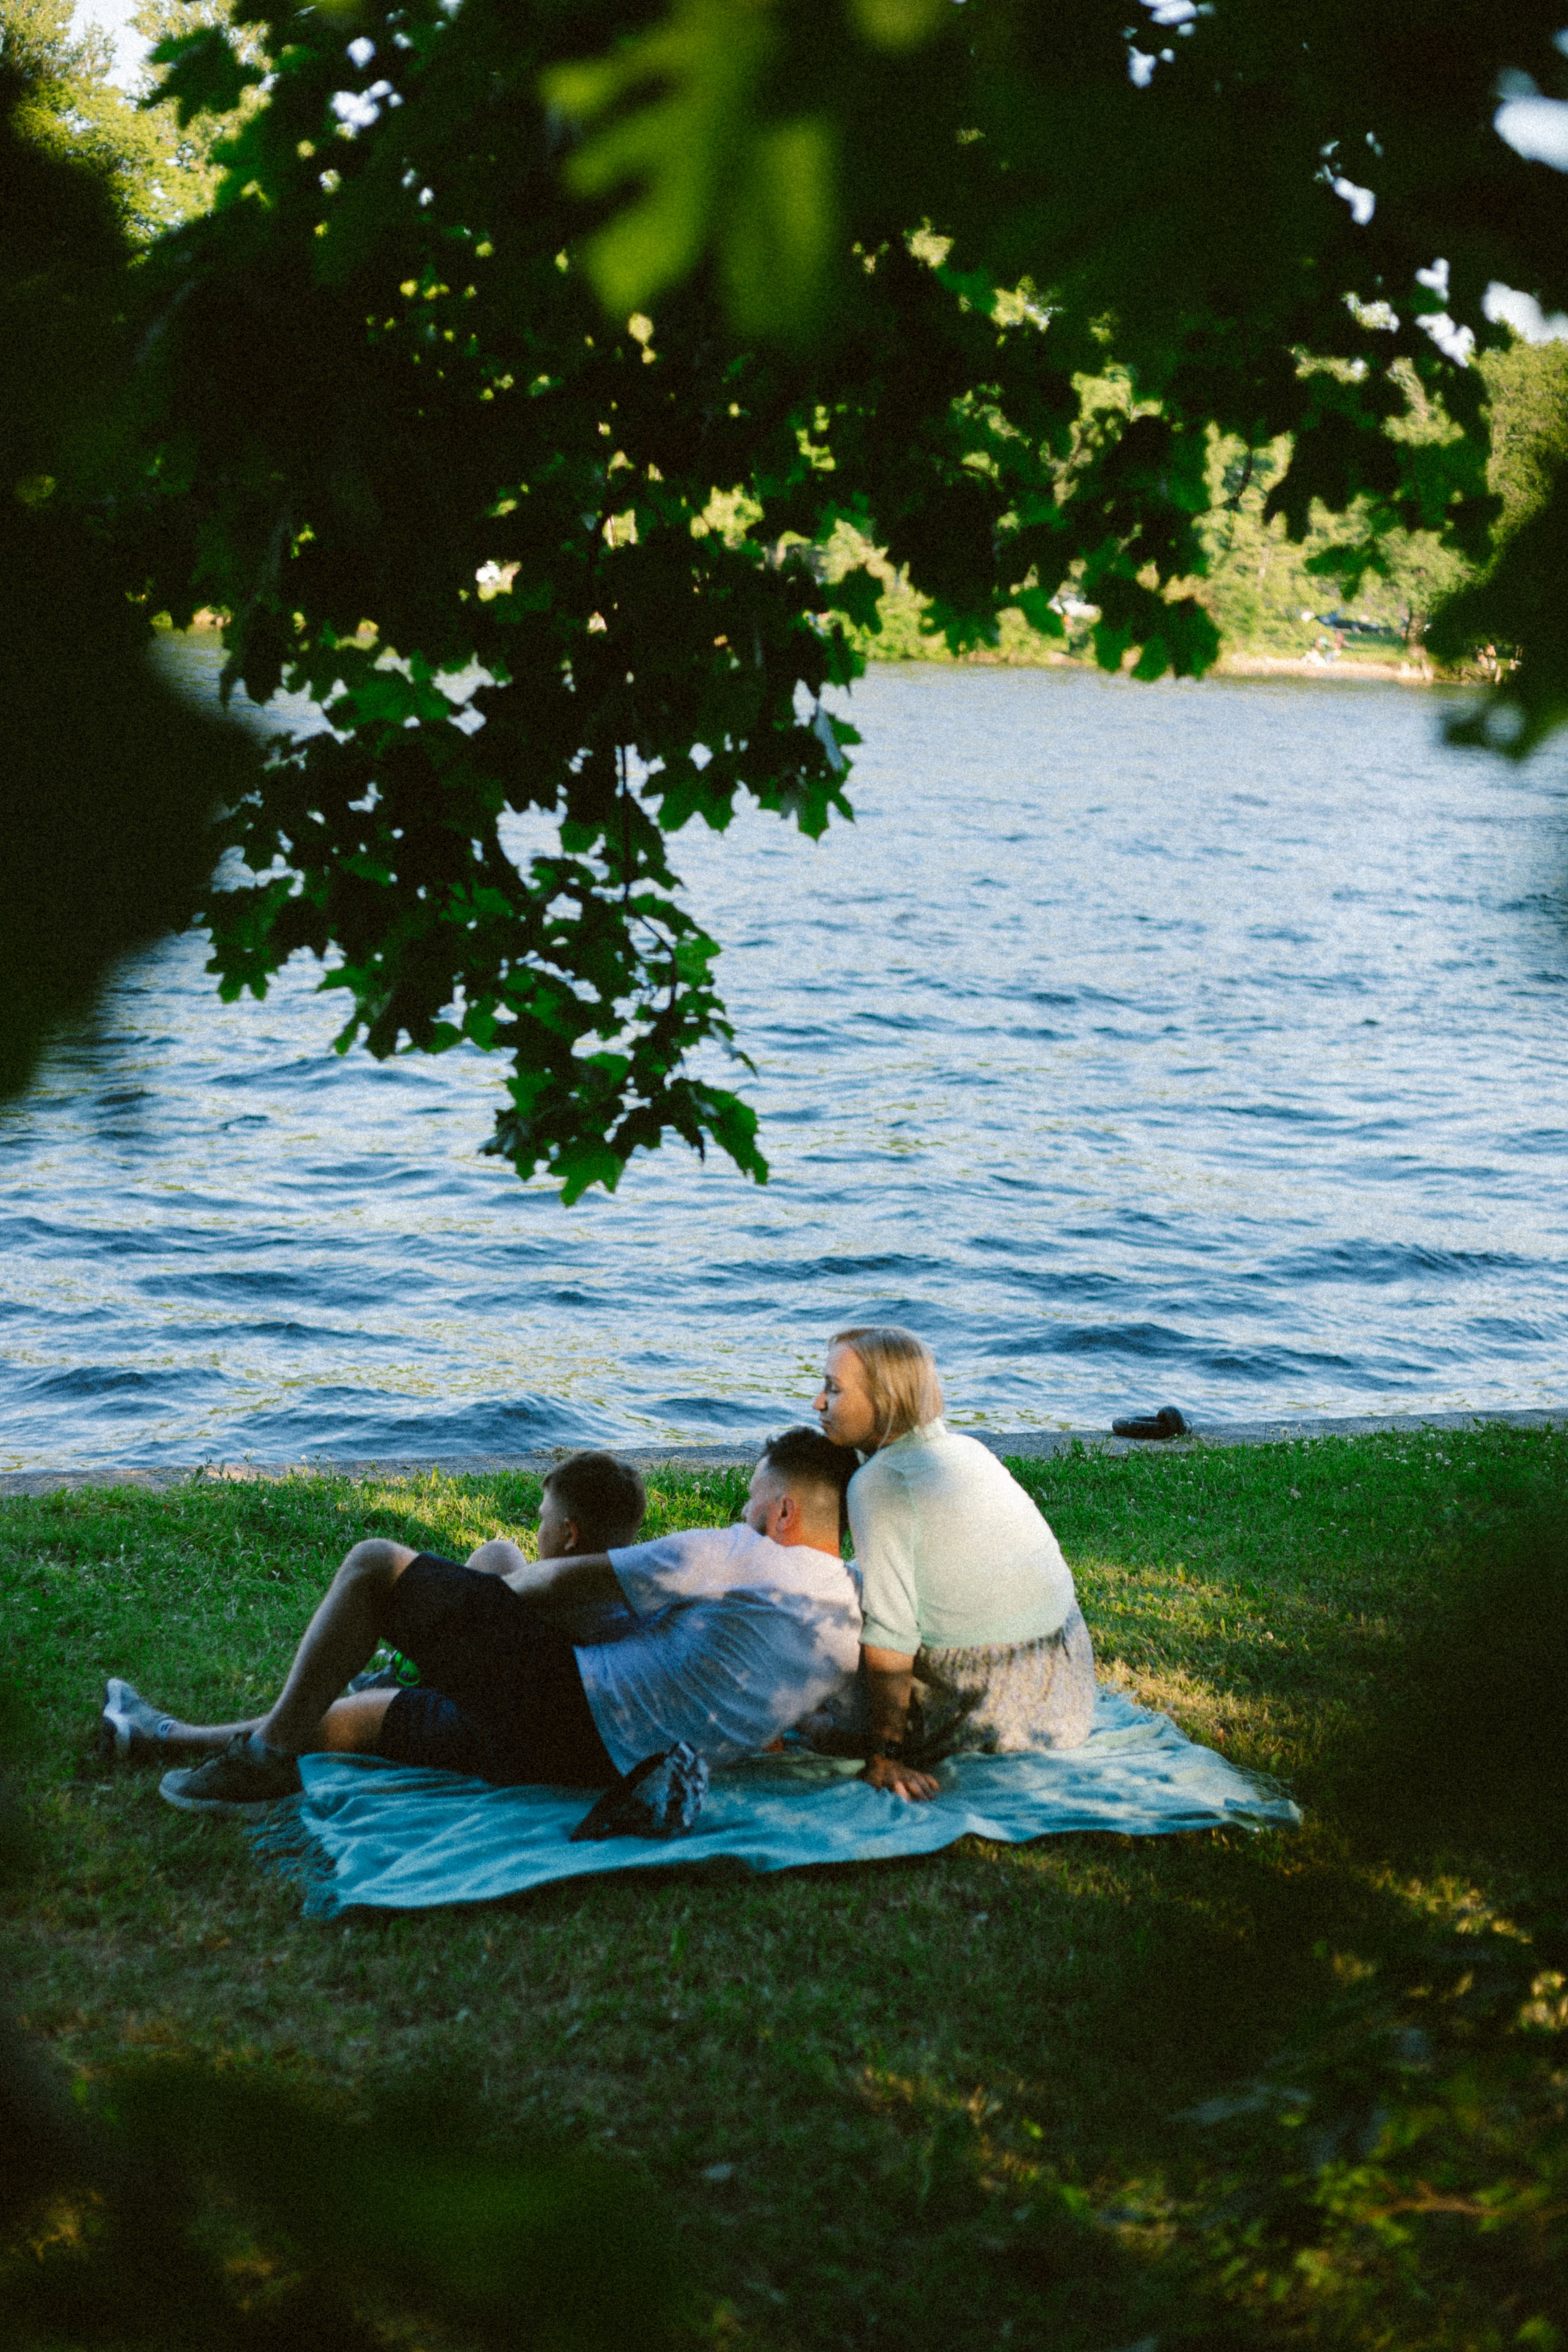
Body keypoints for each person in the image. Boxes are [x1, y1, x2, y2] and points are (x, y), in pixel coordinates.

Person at [97, 1430, 862, 1818]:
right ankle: (161, 1737)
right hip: (596, 1769)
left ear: (784, 1511)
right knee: (365, 1719)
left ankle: (262, 1758)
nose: (744, 1515)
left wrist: (448, 1611)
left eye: (753, 1502)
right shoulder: (849, 1619)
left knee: (374, 1566)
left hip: (572, 1707)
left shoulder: (746, 1555)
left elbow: (559, 1583)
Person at [811, 1325, 1096, 1803]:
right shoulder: (968, 1450)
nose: (819, 1403)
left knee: (817, 1661)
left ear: (885, 1401)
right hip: (1065, 1690)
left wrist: (885, 1754)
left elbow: (890, 1636)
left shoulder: (879, 1485)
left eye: (834, 1390)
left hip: (990, 1711)